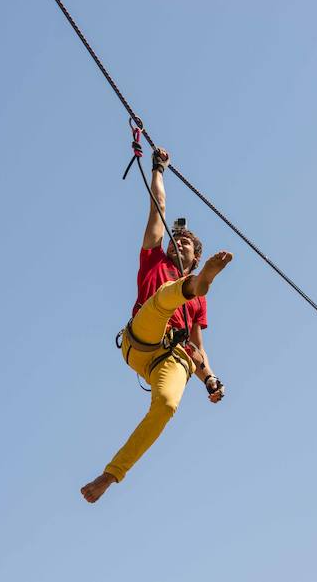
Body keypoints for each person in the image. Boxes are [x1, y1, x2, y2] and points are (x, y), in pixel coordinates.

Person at [81, 147, 232, 503]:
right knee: (166, 297)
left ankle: (109, 475)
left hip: (173, 358)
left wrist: (209, 378)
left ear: (195, 257)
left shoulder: (199, 304)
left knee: (165, 406)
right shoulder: (153, 260)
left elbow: (197, 347)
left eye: (188, 244)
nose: (180, 242)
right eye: (177, 239)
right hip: (144, 333)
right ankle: (197, 282)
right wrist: (158, 169)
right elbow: (158, 208)